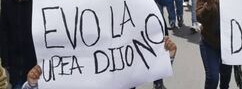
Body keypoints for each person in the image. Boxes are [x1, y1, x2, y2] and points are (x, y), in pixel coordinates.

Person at [22, 37, 177, 89]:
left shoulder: (121, 67)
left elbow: (148, 67)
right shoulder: (75, 76)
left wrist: (167, 55)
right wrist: (32, 83)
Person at [0, 0, 45, 89]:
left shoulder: (41, 0)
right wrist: (5, 59)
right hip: (13, 65)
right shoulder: (6, 1)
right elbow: (3, 31)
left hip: (34, 65)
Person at [196, 0, 236, 89]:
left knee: (225, 79)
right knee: (213, 78)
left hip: (228, 45)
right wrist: (208, 5)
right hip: (209, 43)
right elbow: (199, 17)